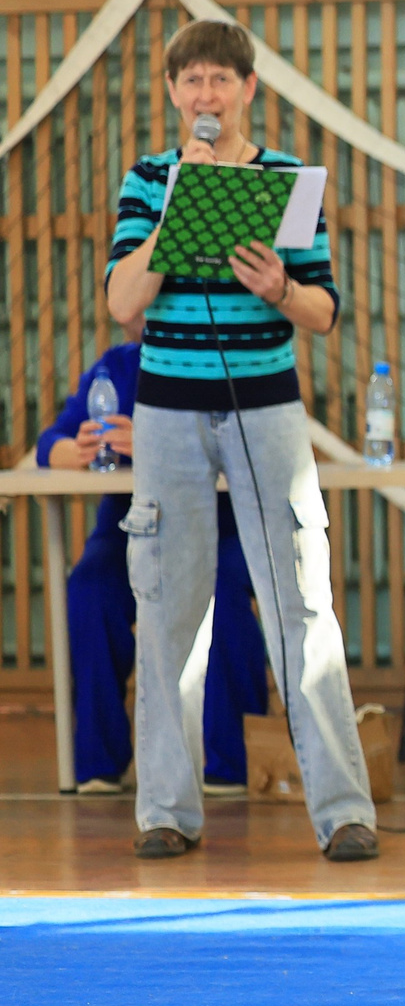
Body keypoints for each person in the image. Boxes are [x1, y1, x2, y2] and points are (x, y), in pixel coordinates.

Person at [105, 18, 375, 864]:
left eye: (221, 80)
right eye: (191, 82)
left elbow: (326, 312)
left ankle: (342, 811)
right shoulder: (151, 179)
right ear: (175, 94)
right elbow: (122, 302)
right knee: (167, 606)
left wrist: (279, 285)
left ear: (248, 89)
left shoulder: (289, 180)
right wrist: (176, 211)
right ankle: (166, 812)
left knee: (301, 601)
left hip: (267, 408)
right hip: (167, 414)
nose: (206, 95)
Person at [36, 332, 267, 796]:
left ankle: (229, 760)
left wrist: (160, 447)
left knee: (221, 598)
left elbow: (254, 452)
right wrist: (75, 451)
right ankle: (98, 763)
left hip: (219, 528)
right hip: (129, 526)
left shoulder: (226, 359)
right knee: (89, 590)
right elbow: (51, 443)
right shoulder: (116, 367)